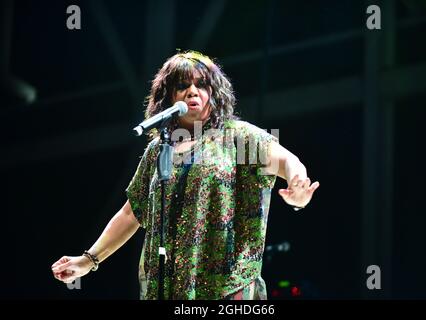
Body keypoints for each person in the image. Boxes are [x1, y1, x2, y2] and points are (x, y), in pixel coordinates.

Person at [51, 50, 320, 300]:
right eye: (182, 86)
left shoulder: (236, 136)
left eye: (201, 85)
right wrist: (88, 260)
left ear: (214, 93)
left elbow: (287, 160)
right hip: (167, 288)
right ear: (168, 98)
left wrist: (298, 190)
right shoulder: (159, 150)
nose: (192, 91)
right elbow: (131, 213)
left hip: (227, 287)